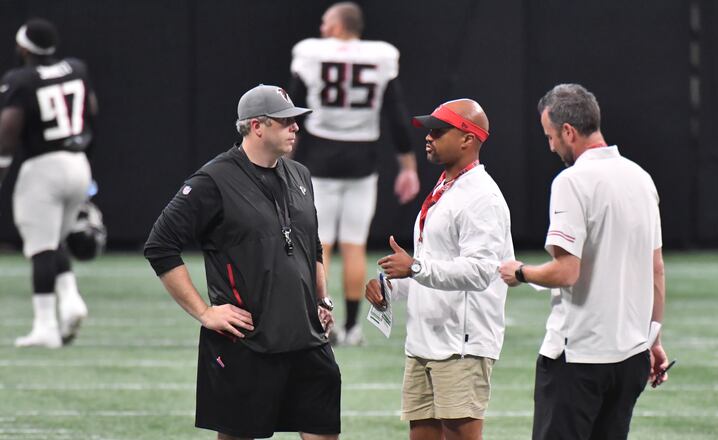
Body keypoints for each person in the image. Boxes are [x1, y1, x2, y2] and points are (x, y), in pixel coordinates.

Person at [144, 85, 341, 440]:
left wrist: (321, 299)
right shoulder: (212, 181)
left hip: (307, 339)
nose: (296, 127)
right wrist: (205, 313)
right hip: (248, 342)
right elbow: (160, 246)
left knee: (323, 431)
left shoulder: (300, 175)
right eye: (286, 121)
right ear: (257, 126)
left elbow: (312, 245)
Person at [499, 83, 669, 440]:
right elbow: (656, 269)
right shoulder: (642, 178)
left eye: (550, 136)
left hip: (580, 358)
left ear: (568, 132)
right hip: (630, 356)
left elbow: (566, 271)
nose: (550, 146)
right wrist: (652, 338)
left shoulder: (572, 181)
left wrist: (519, 272)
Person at [365, 99, 513, 440]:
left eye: (439, 131)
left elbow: (480, 271)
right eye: (429, 131)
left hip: (461, 345)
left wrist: (414, 267)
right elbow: (432, 264)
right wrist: (390, 286)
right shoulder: (447, 187)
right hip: (424, 340)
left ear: (468, 138)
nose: (429, 138)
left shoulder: (482, 197)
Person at [289, 1, 420, 346]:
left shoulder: (310, 53)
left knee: (319, 248)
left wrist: (283, 157)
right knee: (354, 246)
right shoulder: (380, 56)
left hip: (318, 159)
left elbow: (294, 110)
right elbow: (395, 112)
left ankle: (321, 323)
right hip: (364, 161)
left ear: (338, 25)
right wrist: (407, 165)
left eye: (326, 22)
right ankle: (350, 328)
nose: (321, 28)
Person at [0, 18, 98, 348]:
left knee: (41, 246)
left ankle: (45, 326)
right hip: (77, 161)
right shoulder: (76, 69)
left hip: (42, 167)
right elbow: (92, 111)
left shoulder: (20, 80)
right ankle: (70, 300)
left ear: (24, 48)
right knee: (55, 238)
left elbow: (8, 132)